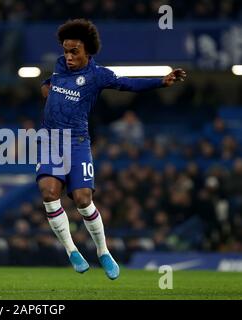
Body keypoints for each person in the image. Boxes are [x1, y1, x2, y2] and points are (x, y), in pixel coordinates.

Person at [38, 19, 186, 279]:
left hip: (78, 142)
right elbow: (48, 82)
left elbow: (129, 83)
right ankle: (72, 250)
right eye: (66, 50)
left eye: (75, 52)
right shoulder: (61, 66)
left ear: (88, 52)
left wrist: (161, 82)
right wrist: (46, 90)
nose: (69, 56)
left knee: (84, 200)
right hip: (51, 141)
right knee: (49, 193)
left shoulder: (98, 76)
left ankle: (103, 251)